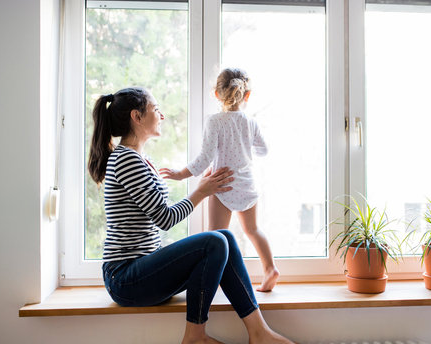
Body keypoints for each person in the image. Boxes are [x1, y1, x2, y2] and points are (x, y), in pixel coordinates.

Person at [88, 87, 293, 344]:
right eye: (155, 109)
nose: (161, 115)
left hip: (142, 271)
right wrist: (200, 192)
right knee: (215, 241)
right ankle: (195, 336)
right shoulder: (126, 160)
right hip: (125, 278)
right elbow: (165, 218)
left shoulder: (140, 158)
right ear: (136, 117)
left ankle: (258, 332)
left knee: (224, 237)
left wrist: (202, 188)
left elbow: (157, 210)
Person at [163, 68, 279, 292]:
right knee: (253, 230)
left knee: (215, 237)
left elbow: (204, 158)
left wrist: (179, 174)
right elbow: (264, 150)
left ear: (216, 94)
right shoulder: (250, 122)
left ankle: (212, 281)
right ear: (247, 95)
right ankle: (270, 269)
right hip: (247, 184)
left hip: (221, 184)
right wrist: (244, 149)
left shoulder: (214, 122)